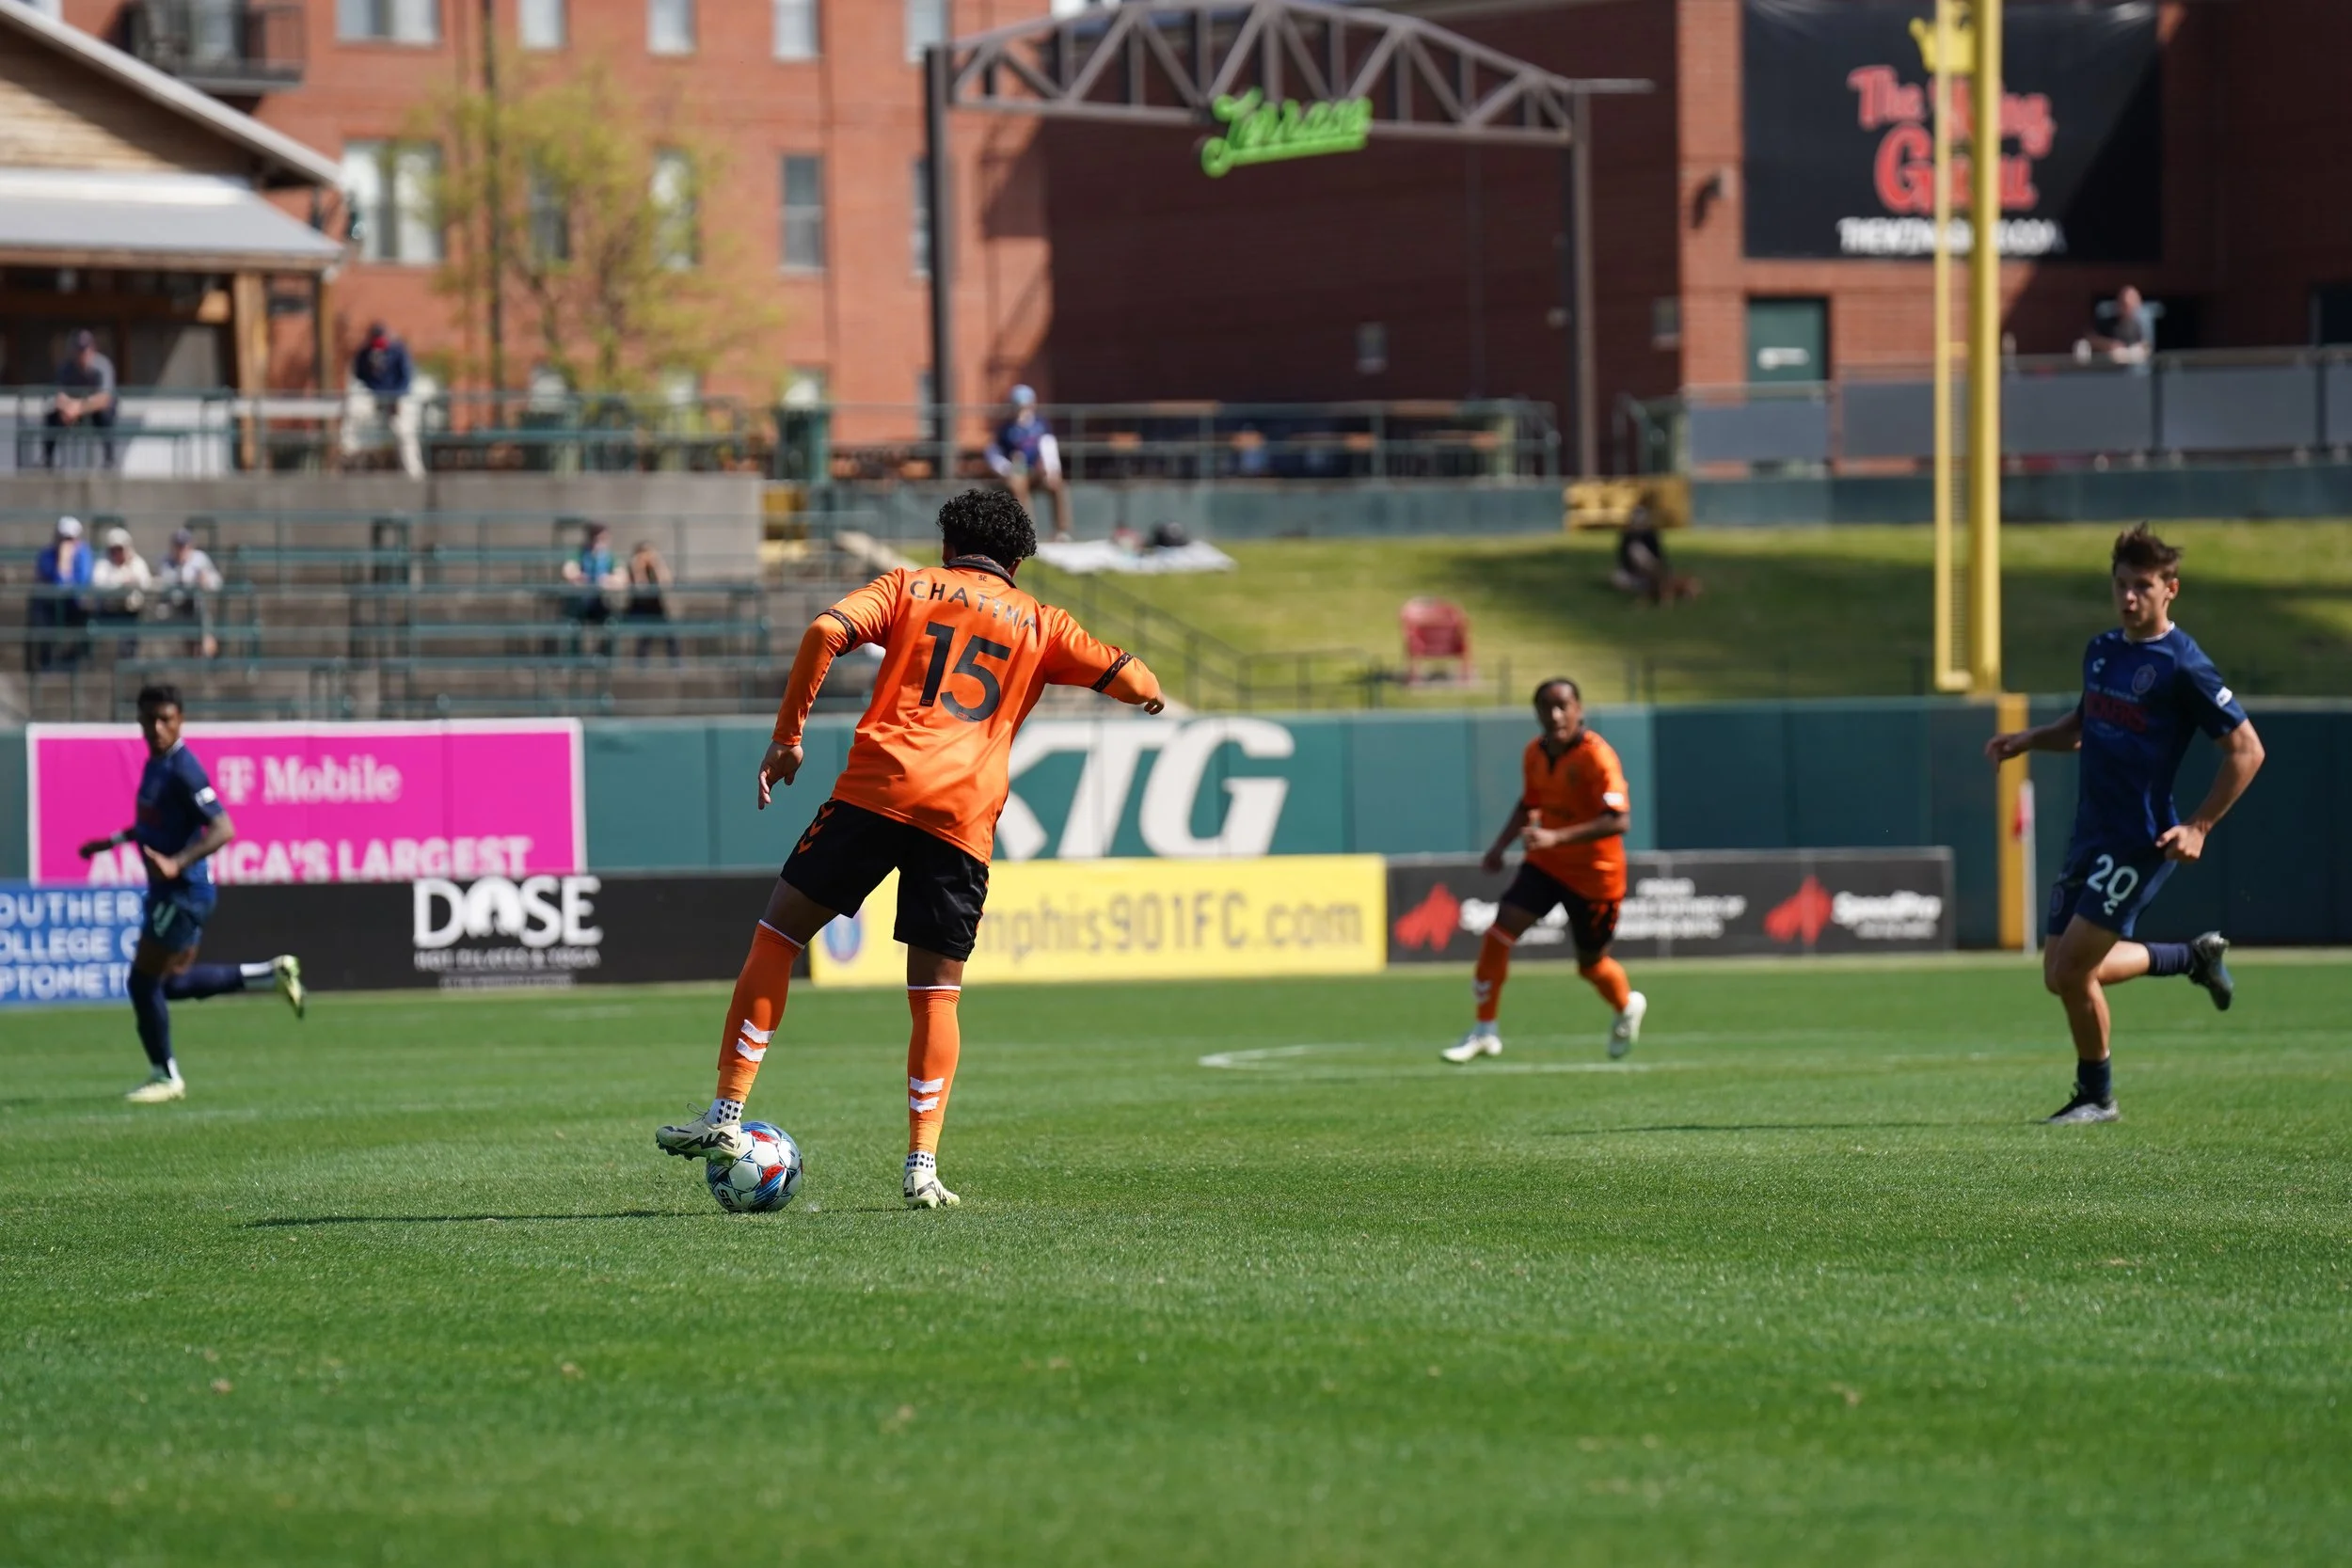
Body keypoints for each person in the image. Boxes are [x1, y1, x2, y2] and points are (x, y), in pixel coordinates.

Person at [653, 490, 1165, 1207]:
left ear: (949, 542)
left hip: (878, 789)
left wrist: (787, 738)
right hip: (962, 818)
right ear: (1018, 558)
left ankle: (728, 1113)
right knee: (934, 994)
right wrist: (1147, 694)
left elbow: (823, 631)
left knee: (777, 935)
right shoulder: (1045, 623)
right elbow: (1133, 676)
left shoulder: (907, 585)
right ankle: (922, 1166)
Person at [1985, 525, 2265, 1125]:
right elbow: (2085, 724)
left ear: (2171, 590)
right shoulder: (2102, 650)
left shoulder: (2185, 665)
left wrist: (2200, 825)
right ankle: (2189, 959)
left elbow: (2247, 750)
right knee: (2058, 976)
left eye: (2143, 586)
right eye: (2121, 585)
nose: (2129, 597)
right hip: (2090, 833)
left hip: (2138, 840)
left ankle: (2097, 1097)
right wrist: (2031, 739)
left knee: (2071, 971)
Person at [75, 685, 305, 1103]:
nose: (157, 727)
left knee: (142, 983)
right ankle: (268, 974)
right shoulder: (155, 764)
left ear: (181, 719)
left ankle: (165, 1076)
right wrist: (107, 843)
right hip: (173, 890)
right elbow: (149, 825)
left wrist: (176, 863)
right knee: (171, 984)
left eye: (166, 719)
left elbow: (224, 828)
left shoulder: (184, 769)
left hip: (182, 893)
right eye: (149, 719)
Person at [1443, 678, 1646, 1064]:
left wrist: (1556, 837)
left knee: (1590, 965)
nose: (1555, 715)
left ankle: (1626, 1005)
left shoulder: (1597, 757)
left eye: (1562, 706)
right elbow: (1528, 802)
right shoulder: (1534, 754)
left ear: (1579, 710)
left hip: (1595, 875)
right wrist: (1499, 847)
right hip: (1547, 867)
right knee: (1499, 932)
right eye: (1546, 708)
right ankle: (1485, 1029)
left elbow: (1619, 820)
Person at [983, 385, 1071, 542]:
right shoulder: (1005, 429)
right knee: (1017, 486)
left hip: (1038, 472)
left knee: (1057, 485)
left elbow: (1049, 448)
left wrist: (1051, 470)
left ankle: (1061, 530)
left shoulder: (1041, 425)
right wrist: (1007, 469)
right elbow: (993, 455)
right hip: (1017, 473)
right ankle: (1027, 531)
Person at [347, 321, 423, 478]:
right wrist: (371, 390)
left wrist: (395, 398)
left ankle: (414, 473)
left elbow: (406, 378)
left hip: (397, 397)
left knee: (404, 432)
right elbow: (359, 374)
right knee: (353, 411)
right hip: (374, 396)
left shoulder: (397, 350)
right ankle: (348, 455)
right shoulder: (365, 352)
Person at [45, 330, 118, 468]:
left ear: (93, 349)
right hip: (71, 411)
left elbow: (104, 399)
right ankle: (47, 460)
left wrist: (79, 407)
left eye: (86, 349)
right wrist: (67, 408)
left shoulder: (103, 365)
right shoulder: (66, 368)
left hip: (94, 411)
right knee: (51, 418)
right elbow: (59, 395)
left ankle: (109, 459)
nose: (83, 354)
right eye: (79, 350)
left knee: (106, 417)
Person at [30, 515, 92, 672]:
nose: (67, 543)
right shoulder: (46, 555)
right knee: (40, 615)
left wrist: (67, 565)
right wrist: (63, 563)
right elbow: (57, 586)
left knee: (85, 615)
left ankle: (76, 661)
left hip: (74, 606)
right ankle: (46, 661)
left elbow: (81, 584)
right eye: (63, 538)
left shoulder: (84, 554)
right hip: (51, 606)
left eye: (71, 539)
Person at [1607, 504, 1699, 605]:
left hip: (1652, 572)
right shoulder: (1627, 537)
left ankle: (1667, 587)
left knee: (1662, 579)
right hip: (1632, 574)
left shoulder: (1651, 535)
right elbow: (1623, 560)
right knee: (1618, 579)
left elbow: (1659, 557)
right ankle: (1654, 587)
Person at [155, 528, 224, 659]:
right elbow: (163, 585)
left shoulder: (200, 559)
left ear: (190, 546)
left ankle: (206, 656)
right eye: (178, 546)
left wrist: (206, 580)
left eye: (184, 545)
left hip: (197, 607)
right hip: (173, 608)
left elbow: (217, 582)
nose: (182, 549)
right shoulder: (165, 562)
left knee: (202, 622)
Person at [560, 522, 628, 649]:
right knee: (573, 625)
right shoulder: (579, 553)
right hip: (581, 602)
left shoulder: (610, 557)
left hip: (602, 602)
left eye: (604, 539)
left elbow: (622, 577)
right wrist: (578, 576)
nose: (600, 543)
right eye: (597, 538)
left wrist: (609, 580)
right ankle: (575, 661)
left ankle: (604, 660)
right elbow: (568, 570)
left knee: (611, 625)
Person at [89, 527, 154, 651]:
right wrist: (120, 582)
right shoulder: (103, 563)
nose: (117, 552)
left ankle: (129, 662)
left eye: (120, 548)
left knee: (131, 633)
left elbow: (146, 584)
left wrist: (132, 581)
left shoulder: (137, 563)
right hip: (108, 610)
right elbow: (97, 584)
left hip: (132, 611)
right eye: (114, 549)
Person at [625, 540, 678, 663]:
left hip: (656, 607)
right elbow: (640, 587)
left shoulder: (655, 567)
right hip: (638, 608)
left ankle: (675, 661)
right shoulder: (634, 567)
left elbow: (667, 584)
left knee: (670, 632)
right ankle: (641, 663)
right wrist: (639, 568)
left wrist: (658, 565)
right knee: (644, 632)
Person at [2079, 285, 2155, 368]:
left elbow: (2147, 347)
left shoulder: (2142, 323)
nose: (2127, 309)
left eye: (2130, 306)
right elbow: (2090, 338)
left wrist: (2131, 353)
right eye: (2124, 304)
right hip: (2108, 370)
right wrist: (2109, 345)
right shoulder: (2108, 320)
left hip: (2136, 371)